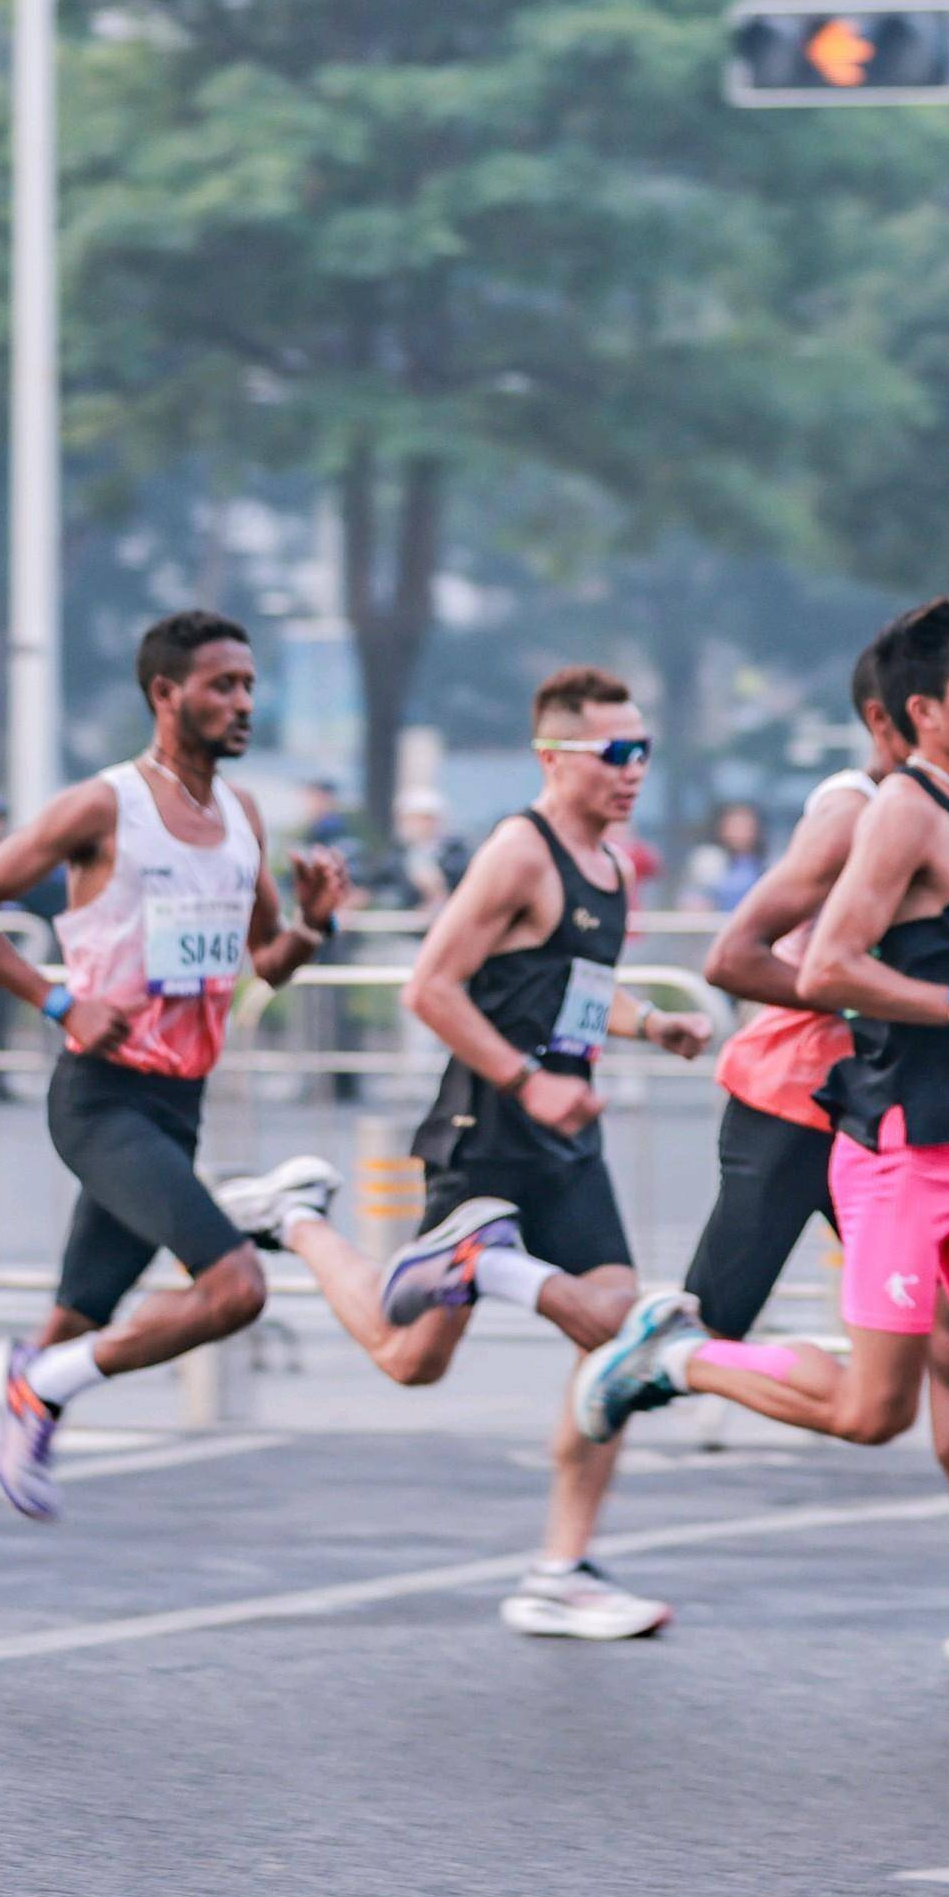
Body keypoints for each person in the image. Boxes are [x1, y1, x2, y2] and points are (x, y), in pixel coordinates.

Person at [574, 589, 949, 1729]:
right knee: (875, 1408)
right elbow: (826, 965)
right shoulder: (893, 813)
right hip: (896, 1150)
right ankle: (675, 1359)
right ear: (919, 713)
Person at [0, 609, 348, 1661]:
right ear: (166, 694)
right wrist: (57, 1000)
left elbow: (266, 963)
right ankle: (35, 1391)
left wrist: (312, 921)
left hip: (177, 1104)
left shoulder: (243, 815)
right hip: (102, 1101)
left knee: (66, 1335)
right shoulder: (103, 806)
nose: (243, 702)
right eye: (221, 685)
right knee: (235, 1289)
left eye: (249, 684)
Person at [546, 635, 949, 1638]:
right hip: (793, 1107)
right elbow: (734, 957)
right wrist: (875, 1000)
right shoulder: (854, 810)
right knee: (686, 1335)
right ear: (896, 719)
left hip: (881, 1119)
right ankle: (559, 1560)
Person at [263, 666, 716, 1640]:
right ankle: (295, 1220)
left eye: (644, 750)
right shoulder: (520, 850)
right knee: (410, 1359)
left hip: (568, 1140)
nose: (635, 770)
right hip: (490, 1134)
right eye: (616, 752)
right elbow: (430, 986)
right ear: (553, 756)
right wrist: (526, 1081)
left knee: (615, 1338)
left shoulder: (609, 863)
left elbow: (573, 985)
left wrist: (650, 1023)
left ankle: (562, 1568)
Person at [684, 800, 768, 913]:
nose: (741, 832)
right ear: (722, 829)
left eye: (746, 826)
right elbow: (692, 901)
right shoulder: (708, 860)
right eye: (735, 826)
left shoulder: (766, 864)